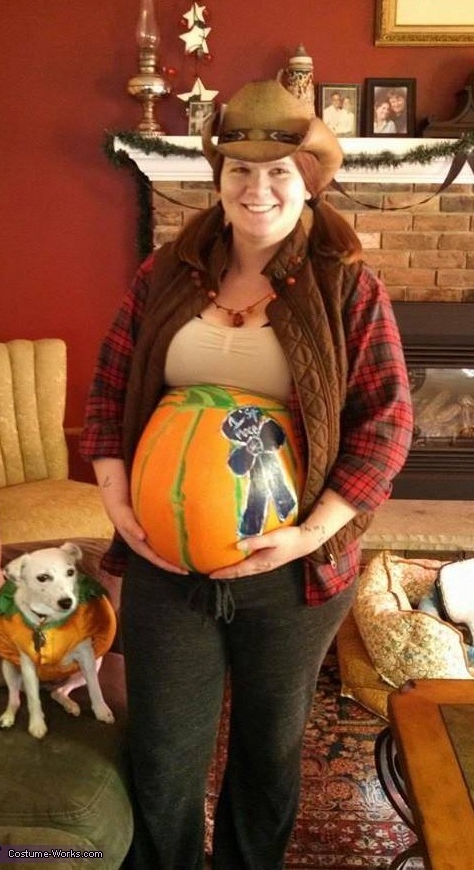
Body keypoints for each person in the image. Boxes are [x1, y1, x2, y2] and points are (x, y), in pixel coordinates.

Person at [80, 79, 413, 870]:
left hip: (293, 577)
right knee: (163, 756)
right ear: (217, 176)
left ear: (308, 182)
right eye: (239, 169)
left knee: (268, 754)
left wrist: (306, 535)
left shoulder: (345, 285)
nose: (257, 189)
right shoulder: (166, 273)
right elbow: (107, 390)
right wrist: (121, 507)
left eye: (279, 172)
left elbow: (389, 424)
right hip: (169, 565)